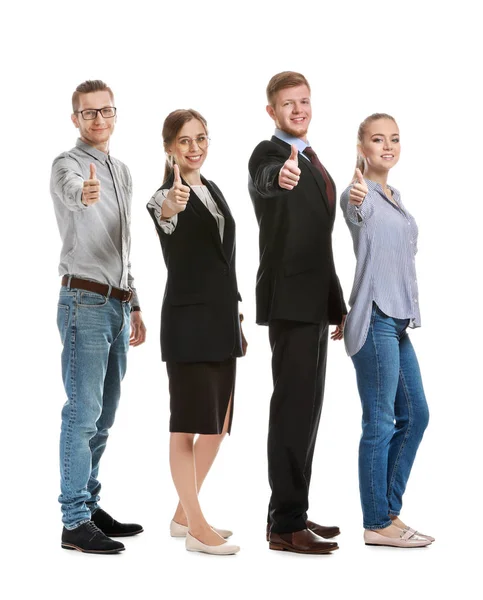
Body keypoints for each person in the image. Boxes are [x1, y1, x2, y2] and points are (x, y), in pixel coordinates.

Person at [248, 72, 346, 554]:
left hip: (312, 302)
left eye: (304, 101)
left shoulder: (313, 156)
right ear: (272, 111)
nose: (299, 110)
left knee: (308, 412)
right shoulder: (270, 156)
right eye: (288, 104)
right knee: (292, 410)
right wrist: (280, 177)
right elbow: (269, 181)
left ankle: (291, 516)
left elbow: (317, 242)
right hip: (289, 301)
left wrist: (337, 305)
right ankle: (286, 523)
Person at [51, 80, 146, 554]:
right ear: (76, 119)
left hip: (116, 302)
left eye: (106, 111)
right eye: (89, 113)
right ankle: (73, 520)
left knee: (104, 416)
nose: (99, 119)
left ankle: (88, 504)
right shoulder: (67, 165)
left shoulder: (123, 171)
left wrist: (136, 302)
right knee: (82, 412)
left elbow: (123, 246)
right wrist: (83, 193)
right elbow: (73, 193)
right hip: (84, 303)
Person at [147, 109, 246, 556]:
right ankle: (196, 527)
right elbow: (167, 215)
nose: (194, 148)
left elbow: (223, 260)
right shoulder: (164, 197)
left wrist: (236, 315)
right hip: (188, 325)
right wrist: (172, 201)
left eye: (201, 138)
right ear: (169, 147)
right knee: (186, 424)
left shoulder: (214, 189)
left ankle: (182, 515)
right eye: (184, 141)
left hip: (222, 322)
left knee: (219, 423)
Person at [340, 113, 432, 548]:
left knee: (416, 416)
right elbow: (356, 212)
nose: (388, 146)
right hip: (374, 318)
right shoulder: (360, 194)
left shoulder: (396, 195)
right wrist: (358, 197)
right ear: (362, 147)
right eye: (378, 139)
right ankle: (376, 521)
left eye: (394, 139)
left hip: (397, 322)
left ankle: (388, 512)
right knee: (378, 422)